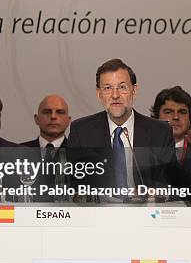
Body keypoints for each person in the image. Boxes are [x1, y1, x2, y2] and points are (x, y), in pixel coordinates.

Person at [68, 58, 174, 196]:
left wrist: (150, 194)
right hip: (98, 214)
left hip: (146, 214)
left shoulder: (160, 132)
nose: (115, 95)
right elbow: (74, 185)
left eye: (122, 87)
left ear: (134, 91)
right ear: (99, 94)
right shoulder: (81, 131)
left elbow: (169, 184)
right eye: (107, 88)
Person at [21, 95, 71, 201]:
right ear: (36, 119)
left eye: (60, 112)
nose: (53, 116)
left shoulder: (81, 155)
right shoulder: (19, 152)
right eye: (47, 112)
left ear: (68, 120)